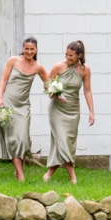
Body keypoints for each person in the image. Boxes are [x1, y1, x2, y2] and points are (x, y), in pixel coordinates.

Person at [43, 40, 94, 184]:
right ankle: (73, 177)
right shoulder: (58, 67)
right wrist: (57, 94)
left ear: (79, 55)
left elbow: (88, 91)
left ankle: (48, 174)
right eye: (66, 54)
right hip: (57, 109)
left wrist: (91, 112)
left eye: (71, 55)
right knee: (62, 140)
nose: (68, 57)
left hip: (73, 110)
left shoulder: (85, 70)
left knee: (67, 142)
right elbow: (47, 85)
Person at [0, 36, 47, 182]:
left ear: (36, 49)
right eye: (26, 49)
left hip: (23, 105)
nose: (29, 52)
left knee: (23, 140)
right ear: (23, 48)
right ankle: (21, 174)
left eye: (32, 49)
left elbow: (48, 83)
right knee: (13, 139)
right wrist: (0, 98)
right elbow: (3, 80)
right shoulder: (13, 61)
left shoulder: (38, 67)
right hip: (9, 103)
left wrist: (55, 92)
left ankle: (19, 171)